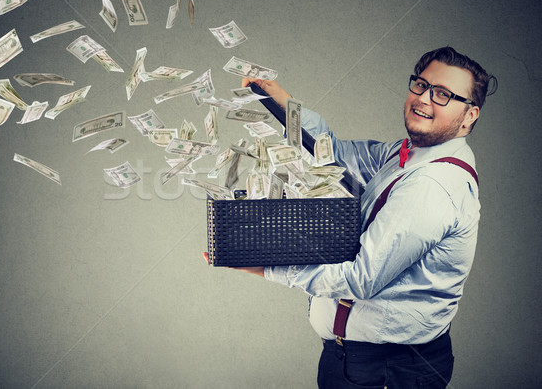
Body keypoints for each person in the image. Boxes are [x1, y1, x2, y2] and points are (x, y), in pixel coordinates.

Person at [204, 46, 497, 388]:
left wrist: (267, 267)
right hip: (348, 359)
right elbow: (336, 155)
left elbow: (361, 279)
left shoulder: (432, 184)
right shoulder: (407, 155)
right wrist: (283, 104)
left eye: (443, 94)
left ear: (469, 115)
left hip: (390, 370)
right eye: (421, 85)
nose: (424, 99)